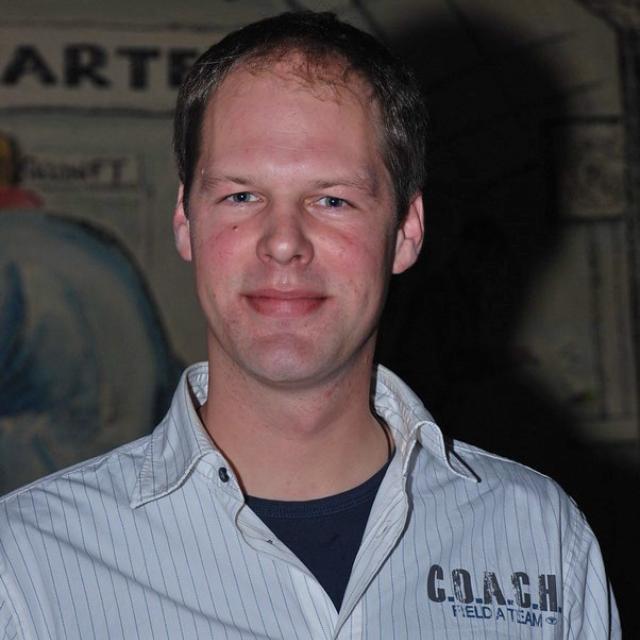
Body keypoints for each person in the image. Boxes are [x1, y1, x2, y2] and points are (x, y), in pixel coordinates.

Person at [0, 11, 620, 639]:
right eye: (242, 196)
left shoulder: (541, 539)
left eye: (332, 200)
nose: (283, 243)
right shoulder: (25, 570)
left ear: (406, 231)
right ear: (186, 222)